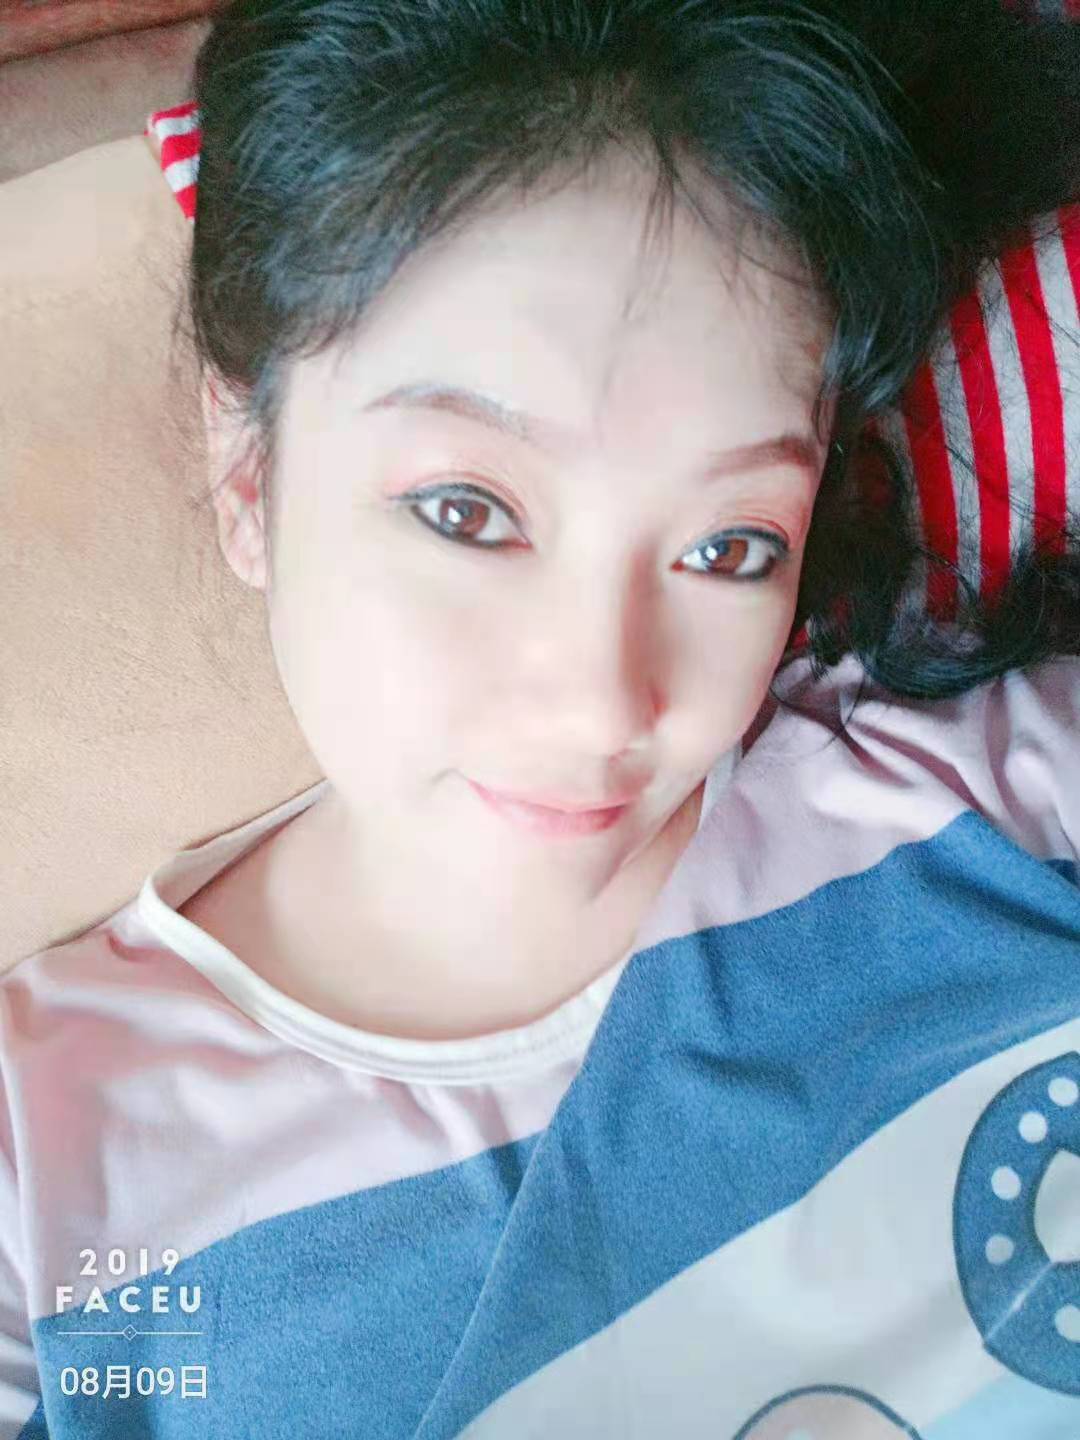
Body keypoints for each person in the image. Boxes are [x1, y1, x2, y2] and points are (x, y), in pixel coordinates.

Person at [2, 1, 1079, 1436]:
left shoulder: (994, 801)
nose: (603, 700)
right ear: (250, 471)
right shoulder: (46, 1169)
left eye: (729, 545)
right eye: (467, 511)